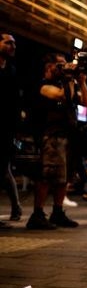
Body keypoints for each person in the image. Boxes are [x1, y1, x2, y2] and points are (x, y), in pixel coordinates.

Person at [27, 53, 87, 230]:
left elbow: (85, 102)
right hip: (51, 136)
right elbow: (62, 96)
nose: (65, 67)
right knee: (47, 176)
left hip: (68, 136)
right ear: (49, 67)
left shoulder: (66, 84)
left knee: (64, 177)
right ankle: (37, 214)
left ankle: (57, 212)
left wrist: (82, 82)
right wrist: (69, 78)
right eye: (61, 65)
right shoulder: (44, 86)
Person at [0, 31, 23, 227]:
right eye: (8, 43)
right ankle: (16, 207)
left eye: (14, 44)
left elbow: (15, 102)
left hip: (6, 129)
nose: (13, 46)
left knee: (4, 168)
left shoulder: (12, 70)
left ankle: (16, 207)